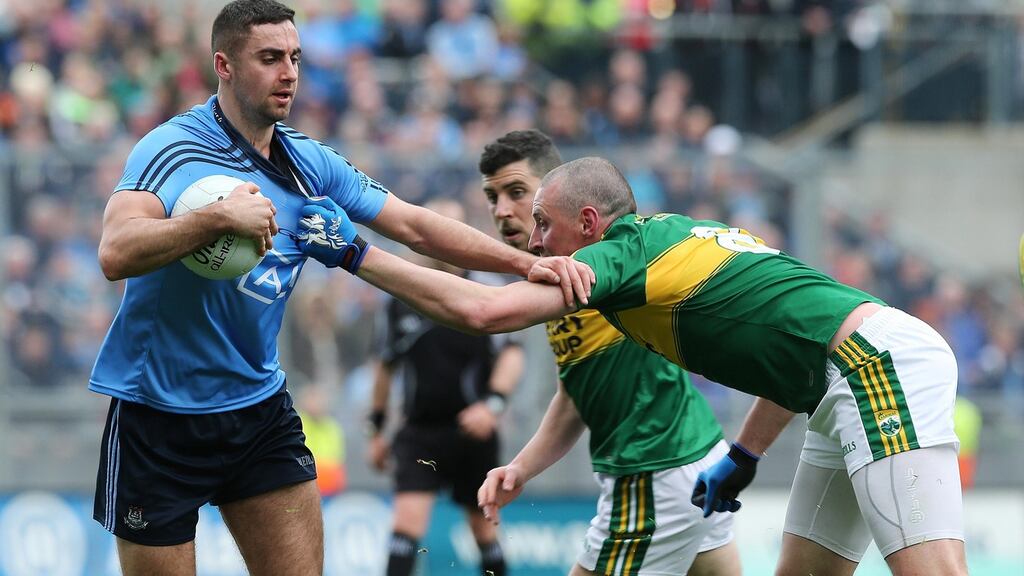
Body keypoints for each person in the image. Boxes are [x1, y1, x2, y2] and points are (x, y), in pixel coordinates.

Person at [89, 2, 587, 574]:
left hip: (256, 410)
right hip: (156, 416)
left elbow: (415, 226)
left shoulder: (307, 163)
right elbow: (115, 252)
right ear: (224, 65)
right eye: (270, 58)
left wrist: (523, 264)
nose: (289, 74)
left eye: (295, 58)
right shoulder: (172, 148)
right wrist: (216, 219)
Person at [295, 157, 968, 576]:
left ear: (590, 223)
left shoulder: (614, 260)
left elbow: (484, 312)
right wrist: (744, 454)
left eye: (542, 223)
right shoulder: (670, 239)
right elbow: (795, 351)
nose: (535, 244)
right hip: (840, 380)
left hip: (873, 369)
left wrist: (355, 253)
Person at [475, 130, 740, 575]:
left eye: (517, 193)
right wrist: (521, 468)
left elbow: (482, 312)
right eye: (492, 197)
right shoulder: (561, 277)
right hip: (696, 458)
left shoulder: (597, 266)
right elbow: (575, 395)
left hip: (655, 469)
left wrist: (361, 255)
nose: (502, 210)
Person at [367, 199, 522, 576]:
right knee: (405, 526)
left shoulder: (487, 288)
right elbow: (385, 366)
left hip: (474, 432)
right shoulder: (400, 297)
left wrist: (493, 406)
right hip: (420, 433)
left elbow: (512, 354)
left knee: (484, 531)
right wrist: (376, 429)